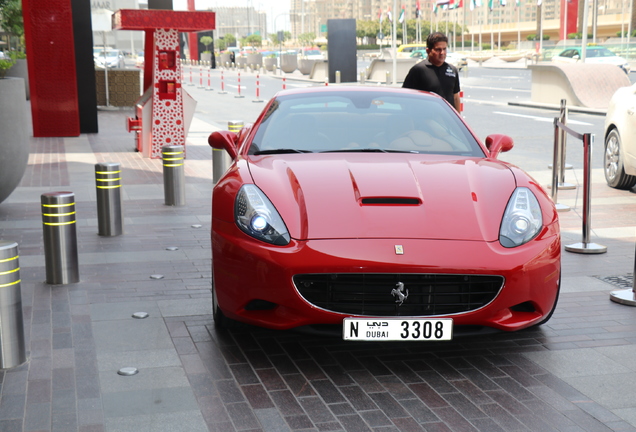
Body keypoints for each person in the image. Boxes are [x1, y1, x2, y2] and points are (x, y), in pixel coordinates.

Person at [402, 32, 461, 112]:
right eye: (438, 49)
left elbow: (455, 97)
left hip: (447, 120)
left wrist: (458, 120)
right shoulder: (418, 70)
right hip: (425, 119)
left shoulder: (452, 70)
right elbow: (405, 97)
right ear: (428, 51)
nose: (442, 53)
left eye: (444, 49)